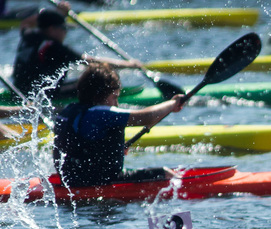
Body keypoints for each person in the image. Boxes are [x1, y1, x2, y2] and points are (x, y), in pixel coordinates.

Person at [53, 62, 185, 187]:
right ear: (100, 95)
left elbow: (83, 148)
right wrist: (172, 104)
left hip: (72, 180)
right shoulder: (100, 113)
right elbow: (147, 117)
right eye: (114, 97)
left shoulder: (70, 110)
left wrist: (112, 150)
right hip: (100, 182)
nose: (116, 104)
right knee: (165, 173)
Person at [12, 5, 142, 99]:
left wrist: (56, 13)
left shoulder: (29, 35)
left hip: (18, 89)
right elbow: (91, 61)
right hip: (41, 95)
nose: (65, 32)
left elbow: (25, 23)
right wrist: (129, 65)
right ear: (52, 29)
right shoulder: (55, 48)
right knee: (94, 83)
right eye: (63, 28)